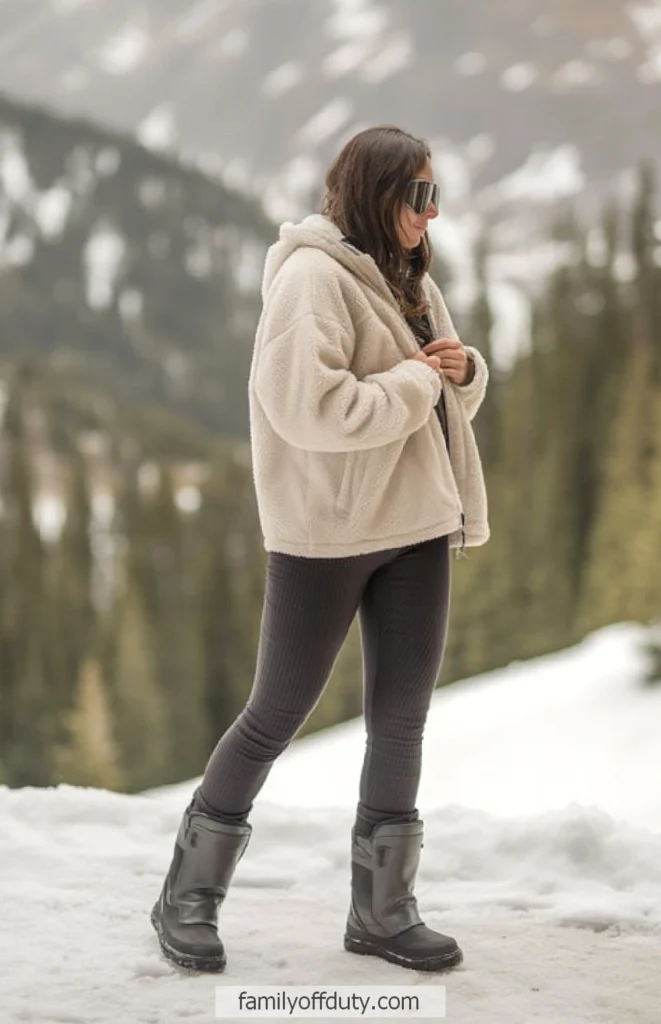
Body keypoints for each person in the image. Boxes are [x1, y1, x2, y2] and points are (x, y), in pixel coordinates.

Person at [151, 125, 490, 975]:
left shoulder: (408, 278)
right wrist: (420, 380)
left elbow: (433, 412)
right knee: (274, 716)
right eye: (417, 194)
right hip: (328, 536)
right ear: (375, 192)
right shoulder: (310, 280)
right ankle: (185, 898)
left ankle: (383, 911)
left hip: (413, 525)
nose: (431, 210)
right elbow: (314, 410)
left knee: (400, 721)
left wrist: (460, 373)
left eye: (434, 191)